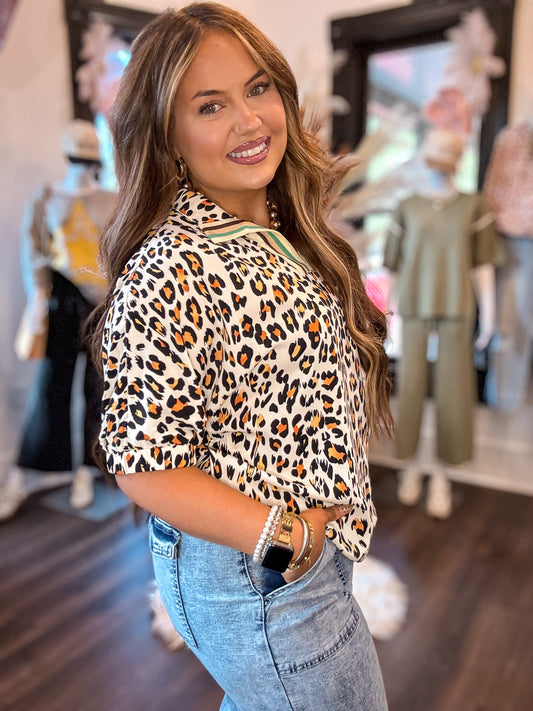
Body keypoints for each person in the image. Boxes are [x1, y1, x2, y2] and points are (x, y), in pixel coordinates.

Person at [92, 5, 392, 710]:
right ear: (168, 136)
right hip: (261, 573)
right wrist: (288, 538)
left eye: (258, 89)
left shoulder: (273, 226)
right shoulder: (174, 265)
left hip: (287, 566)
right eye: (210, 105)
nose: (250, 121)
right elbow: (142, 461)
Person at [0, 120, 116, 521]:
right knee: (51, 388)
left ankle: (87, 470)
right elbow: (33, 250)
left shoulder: (111, 200)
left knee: (97, 390)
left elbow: (119, 252)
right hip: (61, 302)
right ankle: (23, 474)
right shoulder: (46, 197)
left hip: (102, 306)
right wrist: (37, 299)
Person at [383, 127, 499, 519]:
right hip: (413, 308)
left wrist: (489, 317)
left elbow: (482, 265)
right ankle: (412, 467)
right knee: (411, 389)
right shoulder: (407, 206)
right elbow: (393, 266)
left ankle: (442, 475)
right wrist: (387, 314)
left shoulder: (474, 206)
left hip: (456, 308)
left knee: (453, 393)